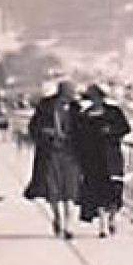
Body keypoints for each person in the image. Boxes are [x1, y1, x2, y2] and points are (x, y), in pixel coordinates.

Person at [23, 81, 82, 238]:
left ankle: (68, 226)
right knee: (52, 189)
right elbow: (33, 127)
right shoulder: (46, 106)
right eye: (69, 93)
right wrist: (45, 132)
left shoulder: (77, 109)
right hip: (50, 153)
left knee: (70, 190)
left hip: (71, 155)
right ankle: (57, 217)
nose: (71, 96)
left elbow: (84, 131)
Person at [74, 84, 132, 238]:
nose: (94, 100)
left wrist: (111, 131)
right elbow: (79, 139)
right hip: (93, 160)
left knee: (114, 190)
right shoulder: (84, 116)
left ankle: (112, 217)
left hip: (111, 157)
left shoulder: (114, 112)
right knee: (98, 192)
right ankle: (102, 226)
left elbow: (125, 128)